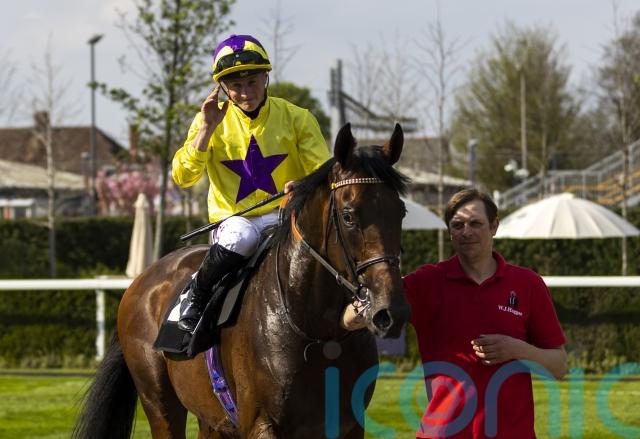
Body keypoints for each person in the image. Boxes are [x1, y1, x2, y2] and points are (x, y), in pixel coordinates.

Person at [172, 34, 330, 332]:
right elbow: (183, 177)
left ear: (266, 78)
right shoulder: (207, 121)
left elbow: (324, 173)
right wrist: (206, 129)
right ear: (223, 88)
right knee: (242, 236)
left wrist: (304, 184)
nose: (245, 93)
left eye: (252, 82)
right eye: (236, 86)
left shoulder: (298, 118)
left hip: (285, 215)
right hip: (233, 221)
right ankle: (196, 293)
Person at [401, 188, 567, 439]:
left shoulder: (528, 284)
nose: (466, 232)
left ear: (494, 226)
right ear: (450, 231)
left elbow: (559, 366)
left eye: (475, 223)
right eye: (457, 225)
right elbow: (362, 311)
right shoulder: (426, 282)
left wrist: (517, 349)